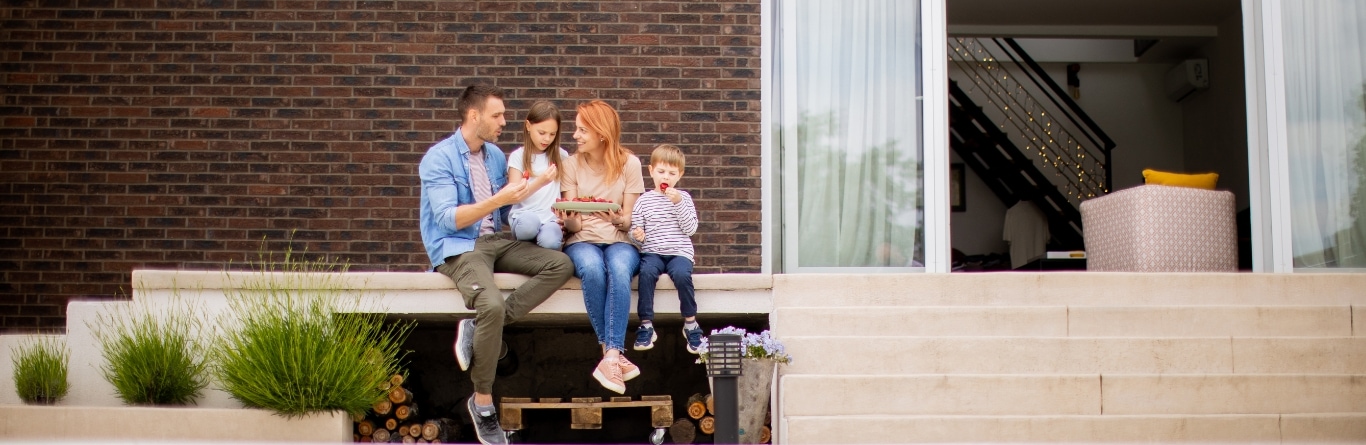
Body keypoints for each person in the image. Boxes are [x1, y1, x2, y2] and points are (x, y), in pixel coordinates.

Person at [419, 85, 574, 445]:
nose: (505, 122)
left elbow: (511, 209)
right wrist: (501, 199)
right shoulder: (439, 158)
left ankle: (479, 328)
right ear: (474, 116)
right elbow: (447, 219)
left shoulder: (493, 156)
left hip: (496, 242)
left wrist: (553, 213)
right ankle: (483, 402)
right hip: (459, 246)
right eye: (497, 115)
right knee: (489, 304)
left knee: (560, 265)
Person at [557, 100, 645, 394]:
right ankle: (614, 354)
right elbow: (574, 224)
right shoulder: (570, 165)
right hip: (582, 241)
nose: (575, 136)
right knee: (593, 269)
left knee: (619, 269)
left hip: (620, 240)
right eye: (576, 129)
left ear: (602, 134)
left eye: (582, 130)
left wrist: (620, 219)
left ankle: (609, 356)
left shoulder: (629, 164)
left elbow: (631, 220)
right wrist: (569, 221)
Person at [628, 144, 703, 353]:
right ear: (651, 171)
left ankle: (691, 323)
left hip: (679, 252)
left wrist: (678, 203)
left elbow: (690, 229)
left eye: (672, 173)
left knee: (681, 275)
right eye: (661, 172)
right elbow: (635, 232)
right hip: (652, 251)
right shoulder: (643, 201)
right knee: (646, 273)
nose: (666, 177)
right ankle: (646, 325)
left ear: (680, 175)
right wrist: (637, 235)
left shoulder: (684, 198)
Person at [506, 100, 569, 250]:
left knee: (551, 240)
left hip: (550, 219)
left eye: (552, 134)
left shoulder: (562, 156)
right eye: (542, 133)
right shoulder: (518, 156)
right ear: (528, 126)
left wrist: (565, 219)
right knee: (529, 224)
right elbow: (513, 195)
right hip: (524, 216)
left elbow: (566, 194)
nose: (547, 139)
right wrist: (541, 181)